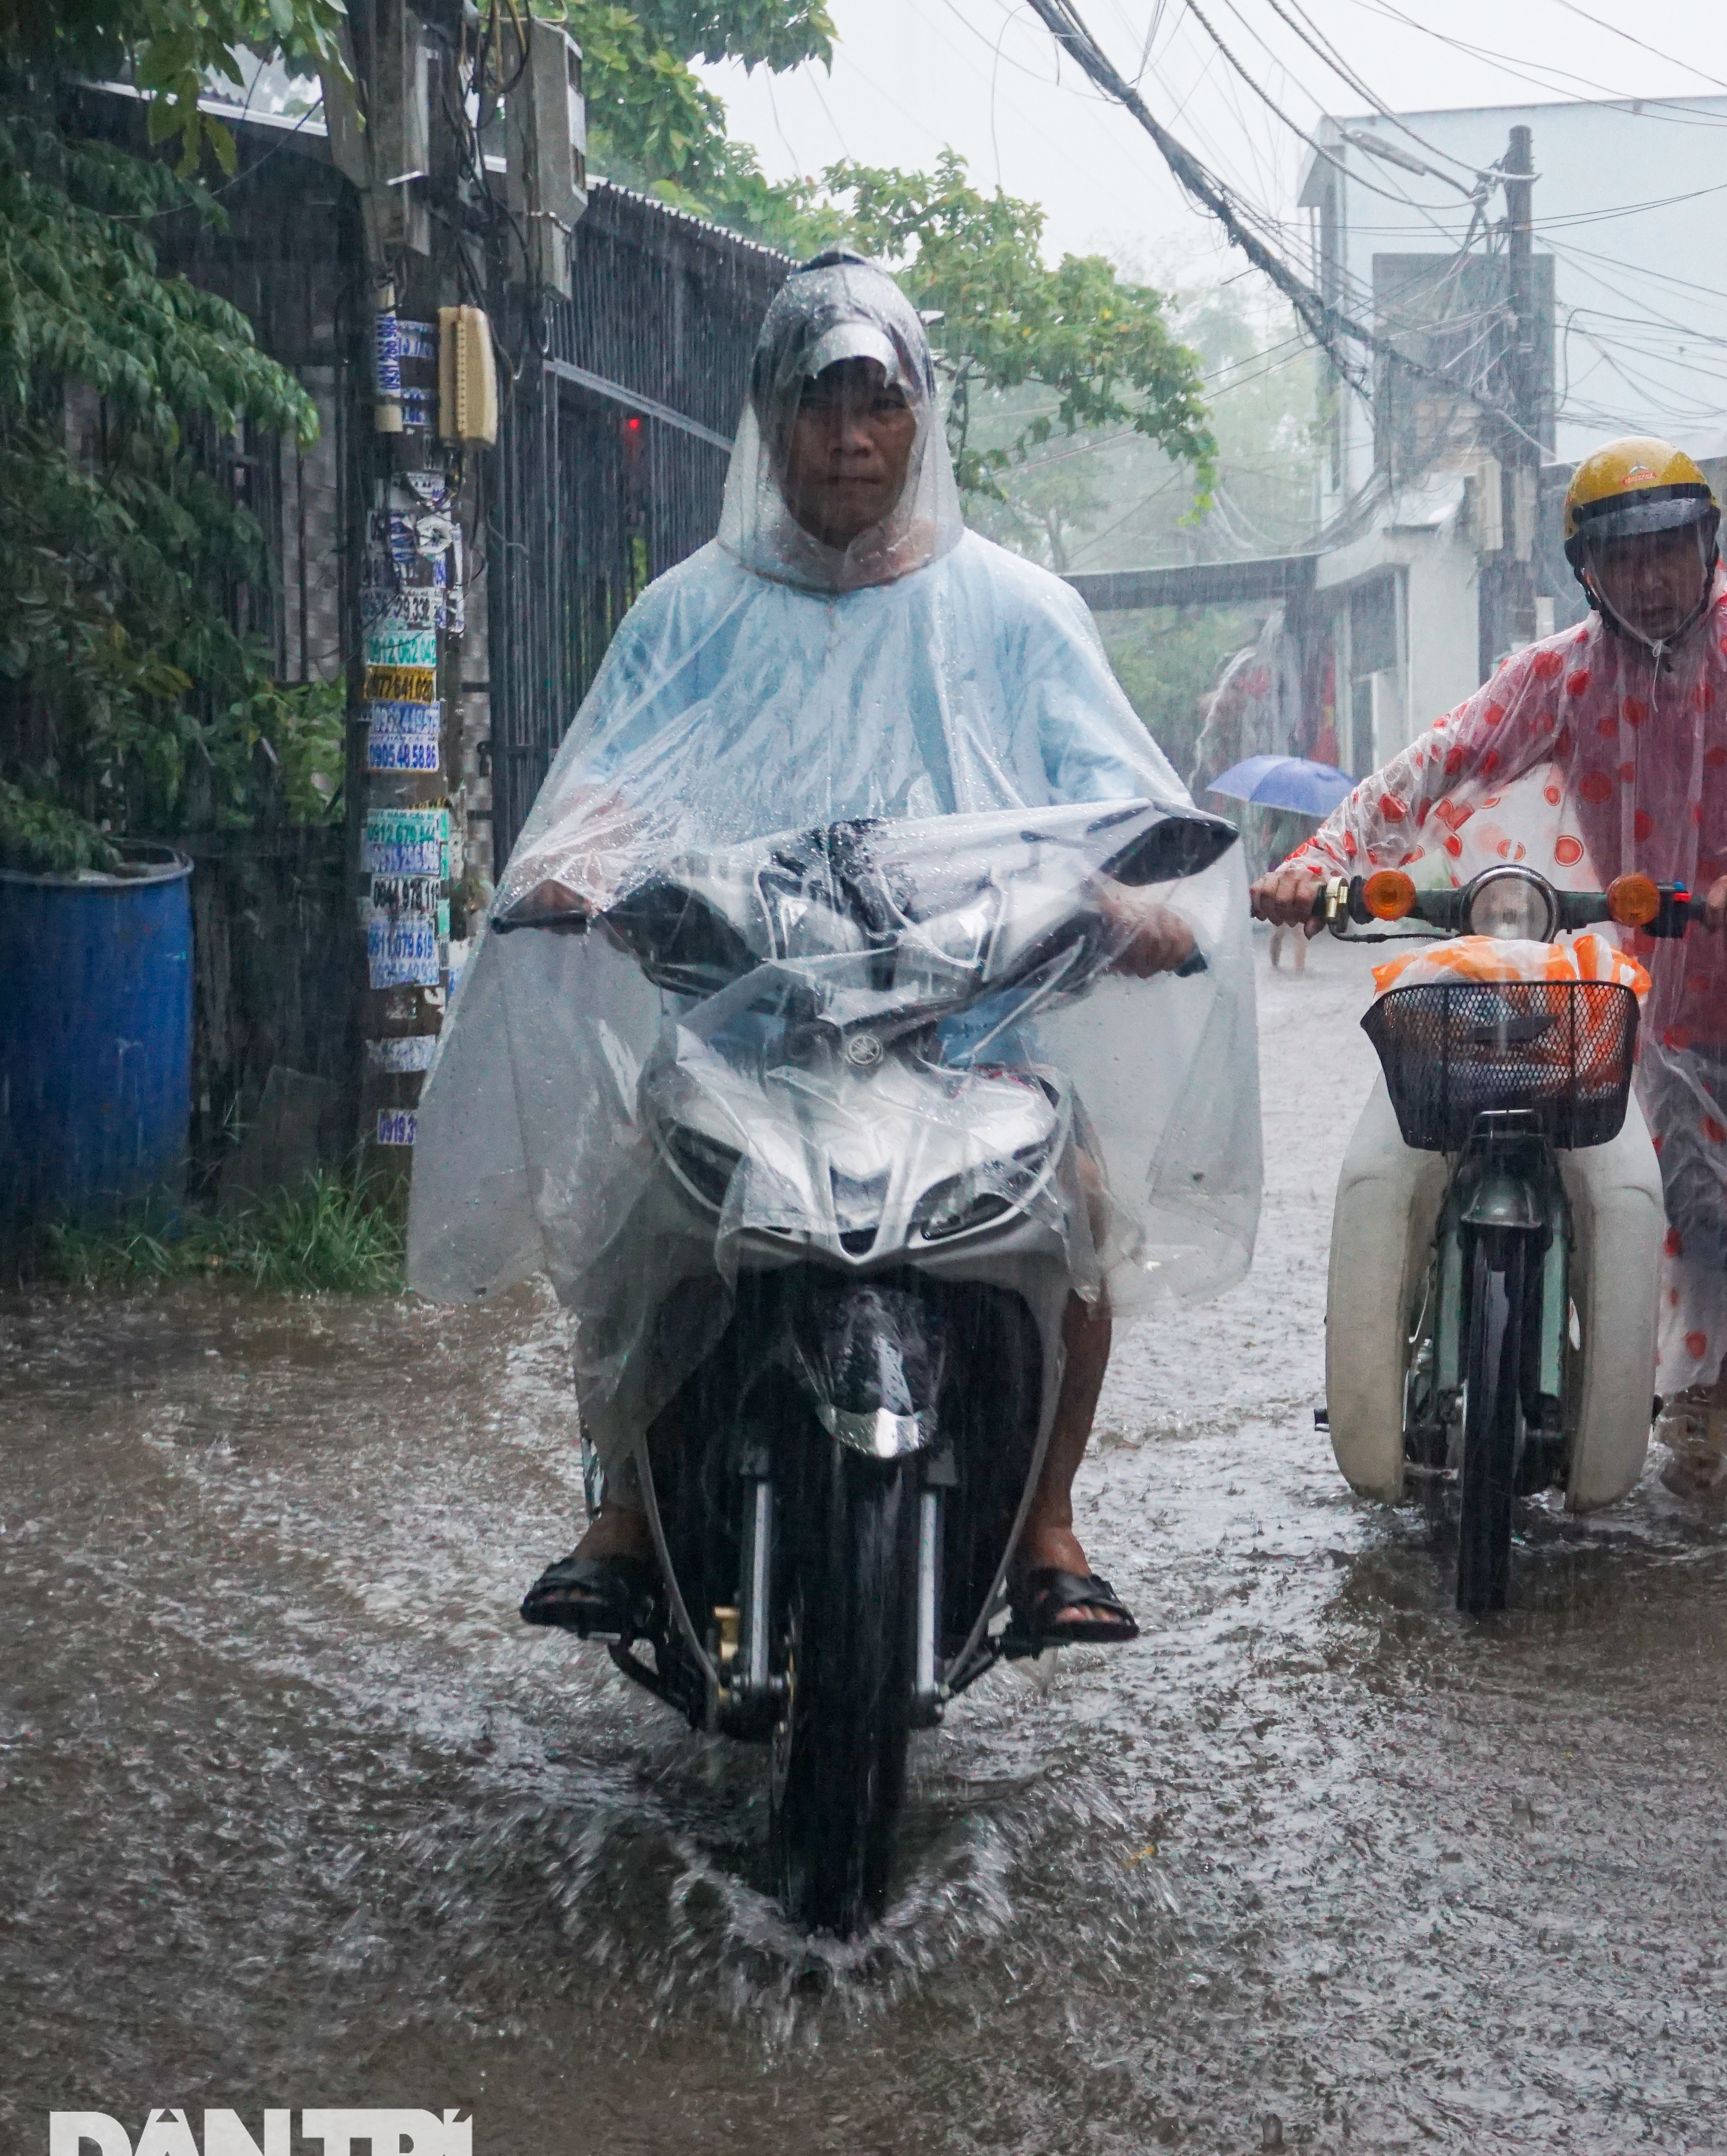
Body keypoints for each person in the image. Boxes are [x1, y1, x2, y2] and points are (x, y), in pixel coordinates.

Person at [410, 254, 1260, 1649]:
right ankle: (624, 1506)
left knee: (1083, 1215)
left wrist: (1133, 907)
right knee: (634, 1205)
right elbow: (607, 787)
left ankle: (1049, 1520)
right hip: (745, 1040)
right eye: (819, 407)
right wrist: (570, 869)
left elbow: (1118, 802)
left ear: (924, 422)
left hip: (973, 1039)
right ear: (767, 422)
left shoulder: (1020, 614)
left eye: (880, 403)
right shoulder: (685, 613)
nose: (851, 440)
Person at [1255, 437, 1727, 1501]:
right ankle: (1697, 1474)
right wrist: (1319, 861)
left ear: (1709, 544)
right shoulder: (1566, 677)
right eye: (1624, 558)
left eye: (1671, 548)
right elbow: (1438, 759)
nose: (1652, 577)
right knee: (1690, 1249)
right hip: (1681, 1021)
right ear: (1588, 572)